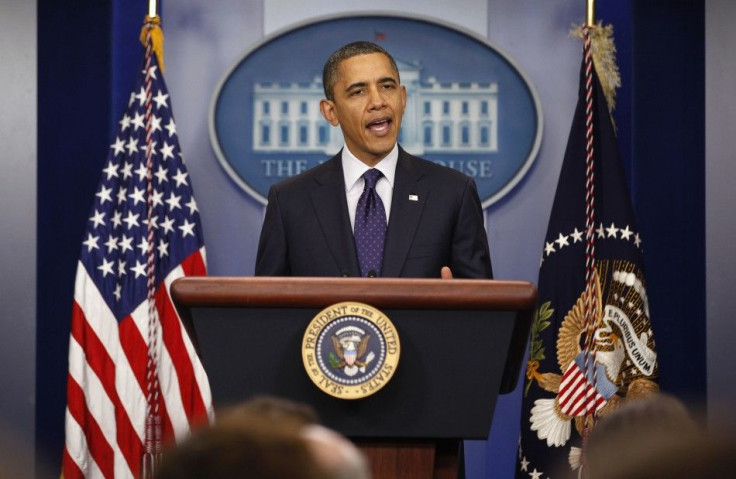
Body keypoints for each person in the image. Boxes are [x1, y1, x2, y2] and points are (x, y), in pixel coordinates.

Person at [255, 41, 493, 279]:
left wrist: (458, 308)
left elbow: (485, 310)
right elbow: (266, 311)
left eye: (387, 86)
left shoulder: (453, 193)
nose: (378, 101)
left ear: (403, 98)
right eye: (358, 91)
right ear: (331, 112)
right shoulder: (289, 201)